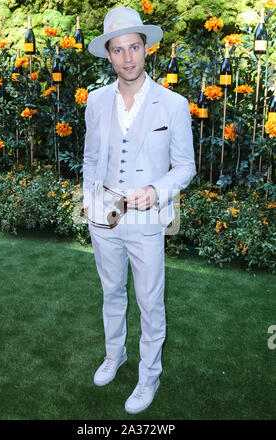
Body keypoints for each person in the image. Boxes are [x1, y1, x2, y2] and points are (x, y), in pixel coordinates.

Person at [82, 6, 196, 414]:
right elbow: (91, 159)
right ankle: (116, 356)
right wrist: (89, 204)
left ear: (146, 49)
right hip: (104, 218)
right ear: (108, 55)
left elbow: (185, 166)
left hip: (148, 221)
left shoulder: (173, 104)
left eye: (134, 47)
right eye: (118, 49)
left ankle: (150, 374)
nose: (127, 57)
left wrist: (157, 189)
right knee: (111, 293)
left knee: (150, 301)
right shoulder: (95, 102)